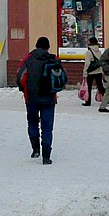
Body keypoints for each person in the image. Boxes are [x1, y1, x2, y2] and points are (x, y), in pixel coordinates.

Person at [16, 37, 63, 165]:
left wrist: (23, 88)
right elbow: (61, 77)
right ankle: (46, 156)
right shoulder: (54, 59)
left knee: (32, 123)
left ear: (36, 46)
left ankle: (35, 149)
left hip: (31, 98)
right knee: (47, 128)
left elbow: (20, 77)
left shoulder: (28, 59)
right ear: (48, 47)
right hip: (49, 98)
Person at [82, 37, 105, 107]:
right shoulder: (99, 51)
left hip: (91, 72)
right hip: (98, 71)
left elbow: (87, 63)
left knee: (88, 87)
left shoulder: (89, 52)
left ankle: (88, 101)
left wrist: (85, 72)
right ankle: (107, 98)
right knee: (100, 86)